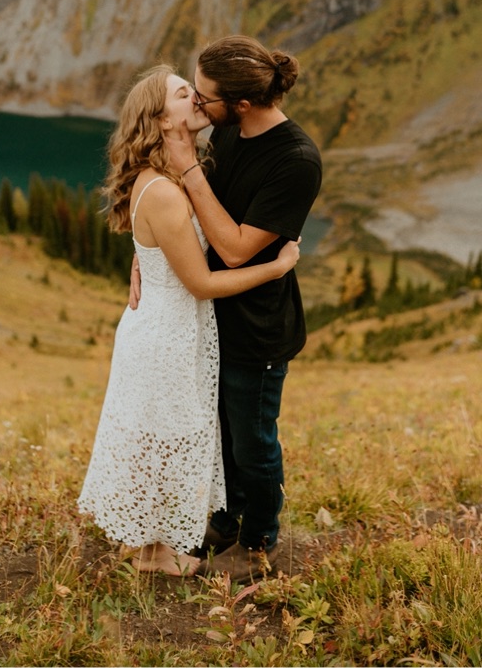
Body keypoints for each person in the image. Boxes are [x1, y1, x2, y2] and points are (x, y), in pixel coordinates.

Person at [79, 66, 300, 576]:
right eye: (184, 93)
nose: (197, 97)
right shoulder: (163, 191)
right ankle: (154, 555)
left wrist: (145, 255)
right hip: (167, 334)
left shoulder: (172, 177)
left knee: (164, 435)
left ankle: (150, 546)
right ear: (161, 120)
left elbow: (168, 247)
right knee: (164, 438)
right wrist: (276, 266)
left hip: (173, 327)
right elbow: (199, 282)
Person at [158, 34, 323, 580]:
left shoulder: (296, 161)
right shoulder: (229, 133)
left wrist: (188, 169)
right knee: (221, 434)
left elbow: (232, 248)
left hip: (258, 328)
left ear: (243, 104)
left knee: (252, 439)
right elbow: (190, 215)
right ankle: (226, 521)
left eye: (204, 99)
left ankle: (259, 542)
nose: (197, 107)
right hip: (212, 315)